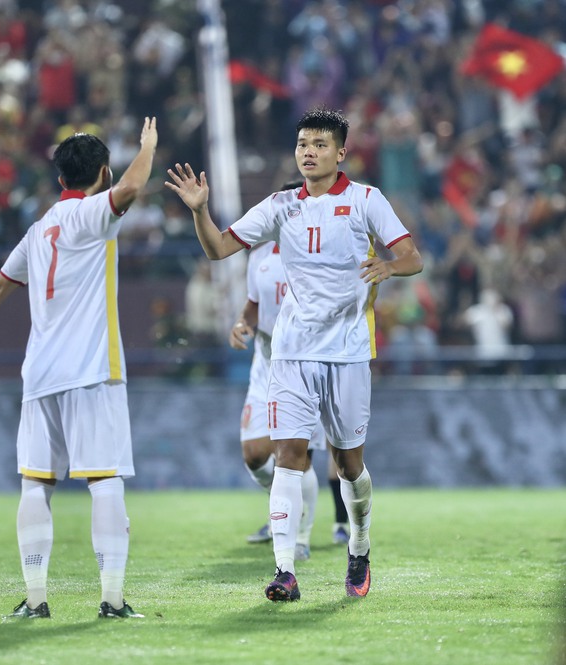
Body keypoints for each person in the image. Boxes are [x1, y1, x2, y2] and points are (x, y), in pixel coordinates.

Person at [166, 106, 422, 601]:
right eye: (303, 143)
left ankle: (360, 546)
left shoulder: (368, 200)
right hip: (290, 353)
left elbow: (413, 255)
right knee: (290, 456)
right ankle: (285, 570)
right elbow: (219, 248)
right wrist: (200, 211)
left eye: (320, 144)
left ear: (341, 152)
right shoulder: (281, 204)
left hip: (348, 352)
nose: (309, 151)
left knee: (349, 466)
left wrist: (390, 268)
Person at [0, 117, 158, 619]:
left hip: (39, 376)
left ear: (60, 180)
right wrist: (148, 146)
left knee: (36, 484)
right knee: (105, 480)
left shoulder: (39, 230)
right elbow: (136, 185)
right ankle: (113, 599)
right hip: (92, 372)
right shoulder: (94, 215)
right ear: (102, 172)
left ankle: (35, 600)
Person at [229, 189, 348, 561]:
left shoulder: (321, 253)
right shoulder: (260, 255)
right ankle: (283, 508)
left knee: (296, 455)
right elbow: (252, 304)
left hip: (303, 362)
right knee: (254, 455)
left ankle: (300, 537)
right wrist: (242, 324)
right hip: (265, 362)